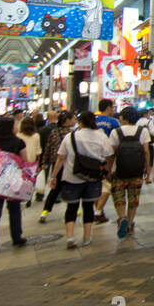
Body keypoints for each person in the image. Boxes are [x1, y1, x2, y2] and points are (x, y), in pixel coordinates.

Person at [51, 111, 112, 249]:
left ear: (80, 122)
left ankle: (70, 237)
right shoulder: (101, 137)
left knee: (72, 207)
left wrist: (54, 176)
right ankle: (86, 237)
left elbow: (61, 158)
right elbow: (108, 156)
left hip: (71, 177)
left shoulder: (70, 136)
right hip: (93, 177)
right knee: (88, 207)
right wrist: (107, 173)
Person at [0, 116, 29, 254]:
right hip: (13, 181)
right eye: (15, 125)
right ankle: (16, 237)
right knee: (14, 209)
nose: (17, 127)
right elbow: (25, 161)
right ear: (10, 128)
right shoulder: (18, 142)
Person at [109, 106, 152, 237]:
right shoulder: (143, 131)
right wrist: (148, 169)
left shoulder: (116, 132)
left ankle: (122, 217)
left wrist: (108, 170)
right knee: (133, 198)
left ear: (123, 118)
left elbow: (111, 154)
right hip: (137, 171)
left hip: (119, 171)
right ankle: (130, 224)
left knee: (119, 197)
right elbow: (146, 151)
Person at [38, 111, 75, 222]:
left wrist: (44, 162)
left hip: (56, 164)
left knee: (55, 188)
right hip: (70, 164)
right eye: (73, 119)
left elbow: (48, 148)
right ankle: (74, 210)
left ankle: (45, 211)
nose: (75, 121)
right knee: (72, 187)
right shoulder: (72, 133)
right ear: (67, 121)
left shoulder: (54, 132)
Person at [92, 99, 120, 223]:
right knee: (108, 185)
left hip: (91, 157)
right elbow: (119, 138)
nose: (113, 110)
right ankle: (98, 212)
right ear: (108, 108)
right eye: (113, 107)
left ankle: (99, 210)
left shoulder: (93, 121)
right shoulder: (114, 122)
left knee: (95, 184)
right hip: (108, 157)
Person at [17, 116, 42, 208]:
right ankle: (29, 197)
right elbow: (38, 151)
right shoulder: (36, 136)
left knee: (21, 180)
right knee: (31, 181)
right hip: (32, 162)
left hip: (21, 162)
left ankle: (19, 197)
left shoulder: (18, 136)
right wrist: (39, 163)